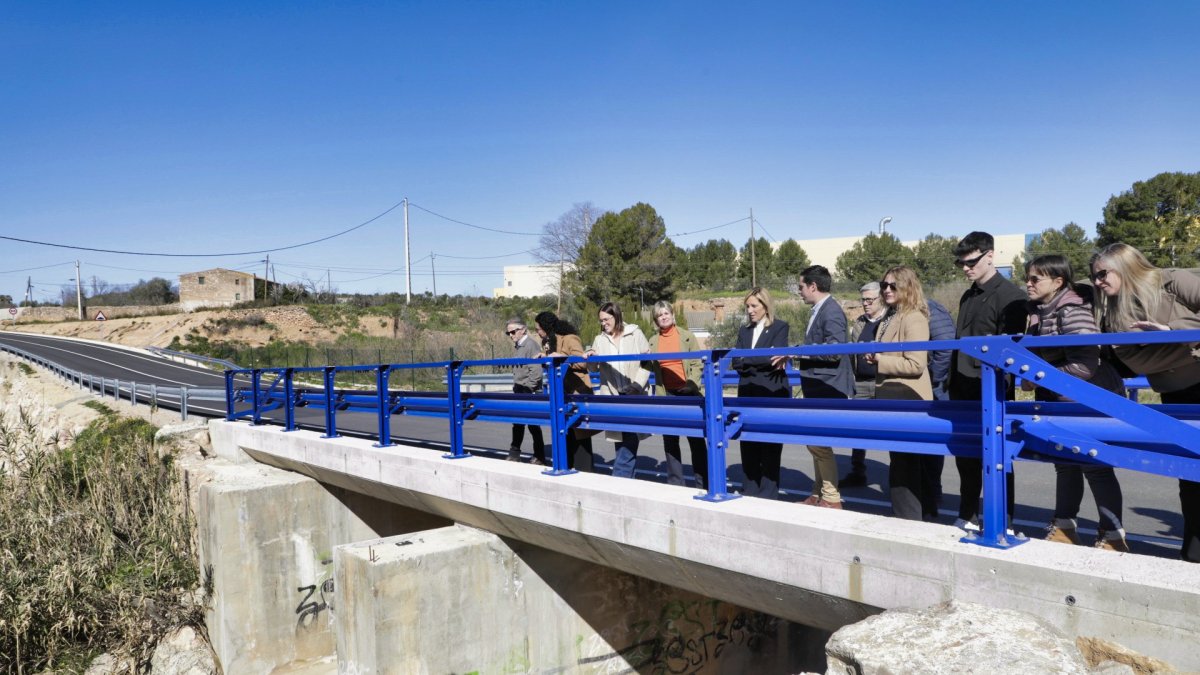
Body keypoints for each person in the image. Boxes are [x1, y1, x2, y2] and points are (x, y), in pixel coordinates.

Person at [1090, 242, 1200, 562]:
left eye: (1102, 274)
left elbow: (1145, 354)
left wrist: (1171, 332)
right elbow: (1135, 361)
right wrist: (1185, 347)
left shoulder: (1174, 281)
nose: (1097, 282)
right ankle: (1194, 553)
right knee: (1191, 475)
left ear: (1125, 266)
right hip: (1176, 393)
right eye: (1093, 276)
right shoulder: (1112, 309)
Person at [1022, 254, 1128, 551]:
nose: (1028, 284)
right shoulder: (1039, 311)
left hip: (1089, 397)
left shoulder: (1072, 309)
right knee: (1065, 463)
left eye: (1034, 279)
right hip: (1062, 399)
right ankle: (1064, 526)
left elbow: (1085, 363)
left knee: (1095, 466)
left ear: (1057, 282)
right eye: (1027, 278)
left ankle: (1113, 536)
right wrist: (1032, 377)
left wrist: (1042, 377)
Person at [949, 231, 1027, 532]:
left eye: (971, 262)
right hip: (961, 385)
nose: (967, 268)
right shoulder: (968, 295)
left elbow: (1012, 353)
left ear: (990, 255)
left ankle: (1003, 518)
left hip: (992, 389)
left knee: (998, 456)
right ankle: (967, 510)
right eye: (962, 264)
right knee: (966, 455)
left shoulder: (1012, 297)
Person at [864, 266, 935, 520]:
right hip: (892, 399)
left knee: (905, 466)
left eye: (893, 285)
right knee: (901, 463)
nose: (887, 290)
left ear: (907, 287)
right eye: (884, 285)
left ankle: (909, 521)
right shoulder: (890, 317)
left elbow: (916, 364)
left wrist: (880, 360)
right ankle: (912, 516)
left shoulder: (913, 317)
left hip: (908, 400)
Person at [786, 265, 854, 509]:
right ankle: (818, 492)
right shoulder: (820, 310)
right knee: (815, 442)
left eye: (801, 287)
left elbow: (834, 352)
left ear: (813, 286)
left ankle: (831, 497)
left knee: (820, 444)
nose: (800, 292)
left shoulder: (831, 312)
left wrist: (799, 353)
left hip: (828, 387)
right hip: (818, 385)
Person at [733, 287, 790, 499]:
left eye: (754, 306)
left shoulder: (780, 327)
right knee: (748, 444)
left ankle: (768, 495)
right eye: (747, 306)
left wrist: (749, 361)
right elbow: (735, 362)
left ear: (765, 306)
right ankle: (750, 490)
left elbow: (773, 360)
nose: (750, 310)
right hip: (747, 394)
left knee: (770, 447)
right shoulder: (744, 331)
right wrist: (756, 361)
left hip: (771, 394)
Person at [644, 301, 708, 489]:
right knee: (670, 440)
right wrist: (643, 356)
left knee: (696, 439)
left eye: (666, 313)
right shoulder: (653, 341)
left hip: (688, 393)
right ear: (656, 319)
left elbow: (697, 363)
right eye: (659, 315)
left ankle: (704, 482)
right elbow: (647, 366)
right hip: (667, 394)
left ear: (672, 314)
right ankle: (675, 483)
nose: (663, 317)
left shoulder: (687, 336)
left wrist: (691, 384)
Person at [585, 302, 650, 479]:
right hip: (613, 395)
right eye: (601, 320)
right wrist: (591, 357)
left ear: (616, 316)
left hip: (634, 394)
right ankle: (628, 482)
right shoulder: (599, 339)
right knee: (621, 439)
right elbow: (593, 369)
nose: (603, 323)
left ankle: (619, 479)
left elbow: (648, 361)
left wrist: (637, 385)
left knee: (629, 437)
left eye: (606, 319)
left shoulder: (635, 333)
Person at [534, 311, 595, 472]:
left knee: (581, 438)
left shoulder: (569, 338)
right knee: (565, 435)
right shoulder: (548, 342)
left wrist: (560, 356)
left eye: (538, 329)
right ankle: (567, 468)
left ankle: (585, 473)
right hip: (561, 395)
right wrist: (544, 358)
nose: (537, 333)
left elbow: (582, 363)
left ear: (546, 327)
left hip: (576, 393)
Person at [842, 282, 887, 487]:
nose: (866, 304)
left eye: (870, 300)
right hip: (860, 383)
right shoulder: (860, 323)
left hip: (883, 382)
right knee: (856, 429)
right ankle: (857, 471)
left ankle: (899, 475)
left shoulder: (891, 320)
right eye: (863, 300)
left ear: (881, 298)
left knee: (892, 428)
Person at [505, 318, 545, 464]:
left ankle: (539, 456)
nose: (511, 335)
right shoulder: (519, 346)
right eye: (508, 332)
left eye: (513, 331)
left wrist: (529, 388)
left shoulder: (530, 345)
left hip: (527, 390)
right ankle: (515, 453)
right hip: (520, 388)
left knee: (533, 424)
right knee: (518, 423)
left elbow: (536, 371)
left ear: (523, 330)